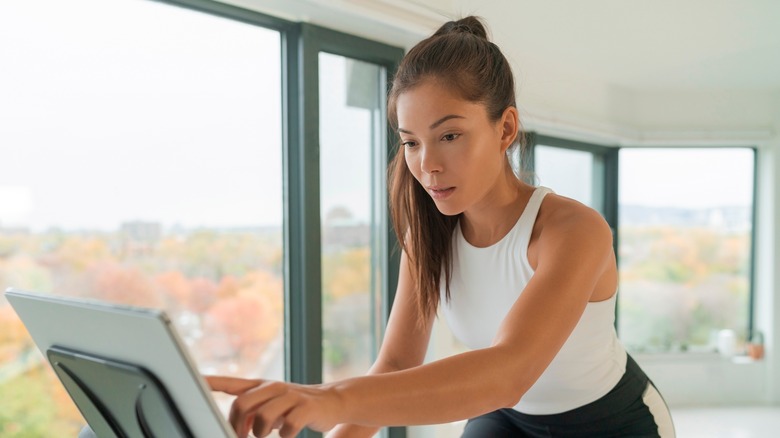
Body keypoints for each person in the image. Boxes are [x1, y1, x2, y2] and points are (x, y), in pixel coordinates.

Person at [207, 16, 676, 438]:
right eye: (411, 142)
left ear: (506, 128)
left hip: (612, 421)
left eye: (449, 135)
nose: (427, 164)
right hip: (507, 419)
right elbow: (396, 363)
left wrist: (328, 398)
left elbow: (507, 373)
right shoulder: (429, 237)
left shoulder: (573, 230)